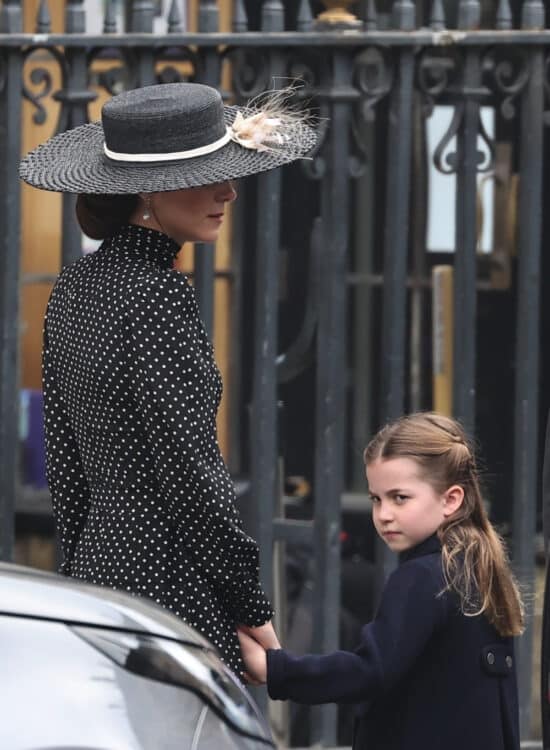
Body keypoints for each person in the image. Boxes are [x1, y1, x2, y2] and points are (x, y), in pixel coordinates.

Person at [19, 82, 316, 676]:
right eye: (208, 174)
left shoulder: (76, 287)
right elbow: (188, 467)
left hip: (101, 576)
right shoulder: (154, 294)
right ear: (148, 191)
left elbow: (67, 462)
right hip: (167, 580)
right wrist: (249, 604)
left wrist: (80, 577)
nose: (229, 191)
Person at [238, 412, 524, 749]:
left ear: (451, 499)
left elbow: (369, 671)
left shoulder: (424, 576)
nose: (384, 514)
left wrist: (277, 670)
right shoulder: (476, 569)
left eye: (400, 498)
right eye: (376, 498)